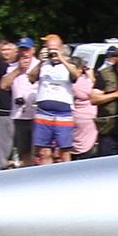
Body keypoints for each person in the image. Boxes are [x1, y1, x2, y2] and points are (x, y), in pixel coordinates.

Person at [28, 36, 79, 165]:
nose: (52, 52)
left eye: (55, 49)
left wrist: (61, 58)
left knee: (65, 150)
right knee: (44, 151)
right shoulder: (43, 65)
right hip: (43, 113)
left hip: (63, 114)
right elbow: (31, 77)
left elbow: (75, 75)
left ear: (61, 49)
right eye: (50, 49)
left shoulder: (68, 64)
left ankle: (67, 176)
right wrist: (40, 62)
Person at [1, 38, 41, 166]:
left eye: (27, 49)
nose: (25, 53)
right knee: (24, 151)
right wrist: (18, 70)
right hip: (19, 115)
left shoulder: (39, 65)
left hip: (37, 114)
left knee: (40, 150)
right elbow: (3, 85)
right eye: (22, 49)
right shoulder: (12, 67)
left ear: (33, 50)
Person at [0, 37, 20, 170]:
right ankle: (1, 169)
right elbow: (3, 83)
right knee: (3, 146)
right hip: (3, 111)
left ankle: (12, 165)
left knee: (14, 144)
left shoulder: (15, 65)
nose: (6, 52)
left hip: (17, 112)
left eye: (9, 50)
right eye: (3, 50)